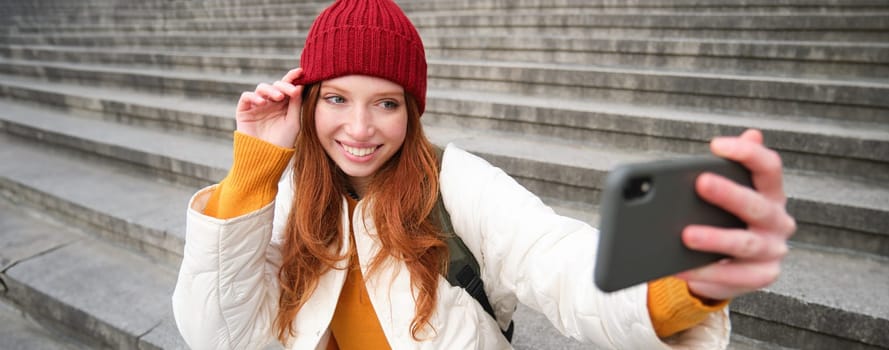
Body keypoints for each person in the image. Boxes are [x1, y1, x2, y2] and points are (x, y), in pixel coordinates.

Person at [171, 0, 796, 349]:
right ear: (307, 104)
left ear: (411, 111)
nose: (360, 128)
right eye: (336, 99)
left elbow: (557, 260)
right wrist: (255, 166)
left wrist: (675, 282)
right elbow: (218, 335)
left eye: (385, 103)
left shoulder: (456, 181)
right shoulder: (288, 199)